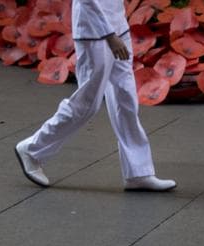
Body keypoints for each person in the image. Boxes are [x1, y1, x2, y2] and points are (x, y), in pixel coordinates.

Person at [13, 0, 175, 192]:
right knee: (87, 103)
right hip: (94, 34)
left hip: (117, 27)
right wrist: (109, 35)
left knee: (126, 100)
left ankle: (139, 172)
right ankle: (31, 149)